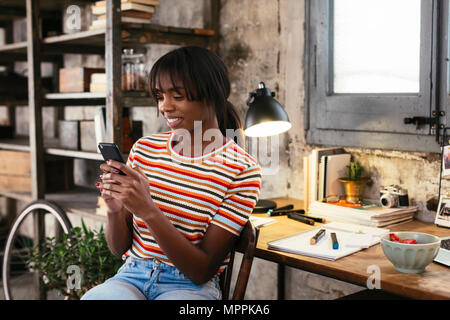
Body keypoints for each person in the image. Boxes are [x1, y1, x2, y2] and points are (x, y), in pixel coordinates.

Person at [81, 46, 262, 300]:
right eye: (159, 96)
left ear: (212, 94)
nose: (165, 107)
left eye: (177, 96)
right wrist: (114, 211)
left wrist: (147, 210)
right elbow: (118, 248)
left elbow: (201, 271)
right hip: (132, 275)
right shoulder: (144, 149)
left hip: (189, 287)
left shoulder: (242, 170)